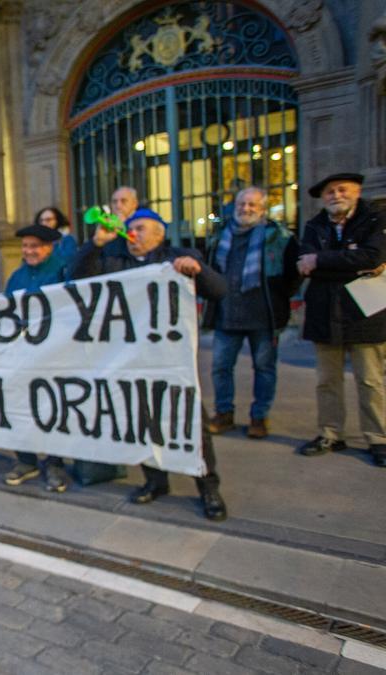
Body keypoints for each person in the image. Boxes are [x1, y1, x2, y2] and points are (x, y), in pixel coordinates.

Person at [72, 207, 228, 521]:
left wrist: (196, 269)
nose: (134, 234)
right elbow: (77, 279)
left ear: (159, 232)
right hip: (132, 360)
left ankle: (208, 487)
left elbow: (219, 291)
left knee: (191, 425)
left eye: (141, 228)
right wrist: (96, 244)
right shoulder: (116, 261)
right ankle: (156, 480)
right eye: (131, 228)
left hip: (172, 362)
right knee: (143, 423)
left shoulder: (177, 257)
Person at [295, 173, 386, 467]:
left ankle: (378, 438)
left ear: (357, 192)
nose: (335, 195)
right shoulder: (314, 225)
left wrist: (321, 261)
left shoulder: (374, 221)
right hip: (325, 312)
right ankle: (330, 433)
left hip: (365, 312)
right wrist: (349, 260)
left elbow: (372, 257)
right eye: (329, 192)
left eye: (341, 189)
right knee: (326, 380)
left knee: (370, 380)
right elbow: (303, 264)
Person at [201, 186, 300, 438]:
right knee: (220, 367)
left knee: (264, 368)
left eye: (252, 205)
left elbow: (293, 274)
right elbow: (209, 270)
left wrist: (280, 297)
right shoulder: (219, 236)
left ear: (263, 209)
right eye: (241, 205)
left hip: (264, 316)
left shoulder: (279, 237)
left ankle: (259, 417)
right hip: (227, 315)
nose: (245, 209)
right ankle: (224, 414)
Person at [3, 224, 71, 492]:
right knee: (22, 407)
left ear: (49, 247)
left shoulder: (62, 271)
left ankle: (54, 463)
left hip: (54, 354)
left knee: (52, 407)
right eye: (26, 246)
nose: (29, 251)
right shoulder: (17, 276)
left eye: (35, 246)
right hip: (22, 353)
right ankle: (26, 460)